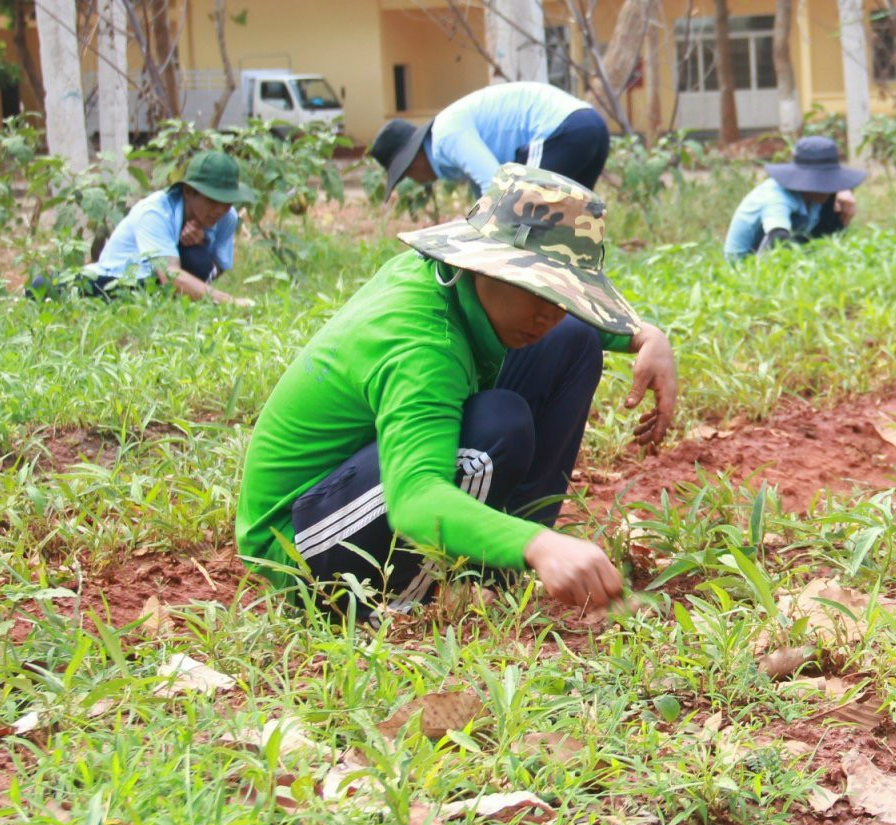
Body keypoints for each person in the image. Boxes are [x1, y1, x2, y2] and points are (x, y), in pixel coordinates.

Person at [235, 164, 678, 615]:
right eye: (538, 290)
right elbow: (415, 500)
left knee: (572, 342)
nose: (551, 312)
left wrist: (645, 336)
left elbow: (570, 324)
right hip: (301, 544)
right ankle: (419, 597)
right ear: (484, 265)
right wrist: (538, 543)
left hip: (357, 485)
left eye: (566, 298)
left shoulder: (448, 279)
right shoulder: (423, 345)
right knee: (496, 424)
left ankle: (502, 575)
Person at [38, 150, 256, 307]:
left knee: (197, 256)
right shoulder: (155, 211)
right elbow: (170, 274)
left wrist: (202, 246)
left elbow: (217, 269)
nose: (219, 210)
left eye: (226, 201)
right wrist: (231, 302)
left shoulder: (228, 217)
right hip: (121, 277)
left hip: (156, 285)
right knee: (45, 286)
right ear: (189, 192)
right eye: (212, 201)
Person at [369, 80, 612, 198]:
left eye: (408, 175)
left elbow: (496, 186)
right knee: (570, 224)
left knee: (523, 209)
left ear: (412, 161)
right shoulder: (451, 133)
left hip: (561, 129)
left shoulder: (446, 135)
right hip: (592, 125)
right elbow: (482, 195)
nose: (418, 180)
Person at [724, 135, 865, 260]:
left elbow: (827, 241)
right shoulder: (777, 197)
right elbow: (777, 240)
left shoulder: (817, 197)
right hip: (747, 263)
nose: (827, 189)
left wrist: (843, 220)